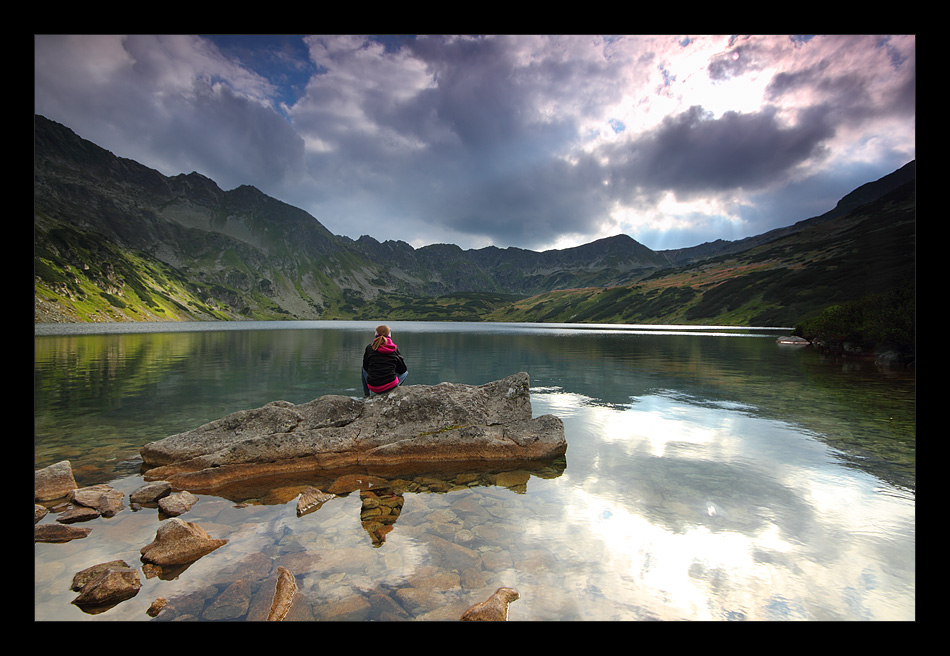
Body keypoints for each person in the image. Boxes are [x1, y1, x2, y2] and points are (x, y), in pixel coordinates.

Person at [361, 325, 408, 397]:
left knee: (363, 369)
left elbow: (366, 366)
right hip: (390, 386)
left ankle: (367, 395)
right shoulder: (394, 349)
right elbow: (402, 369)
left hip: (373, 386)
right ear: (389, 335)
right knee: (405, 373)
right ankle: (393, 391)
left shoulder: (370, 348)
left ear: (376, 334)